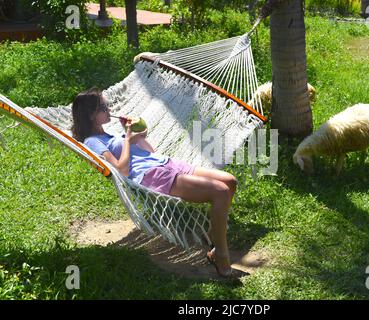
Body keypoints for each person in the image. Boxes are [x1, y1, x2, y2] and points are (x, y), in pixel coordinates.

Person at [71, 87, 242, 278]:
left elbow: (150, 152)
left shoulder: (111, 134)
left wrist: (136, 134)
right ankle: (220, 255)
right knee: (220, 191)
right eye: (102, 107)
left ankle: (213, 237)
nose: (108, 109)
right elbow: (122, 170)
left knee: (230, 181)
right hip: (151, 175)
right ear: (91, 115)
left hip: (165, 163)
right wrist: (127, 139)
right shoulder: (92, 141)